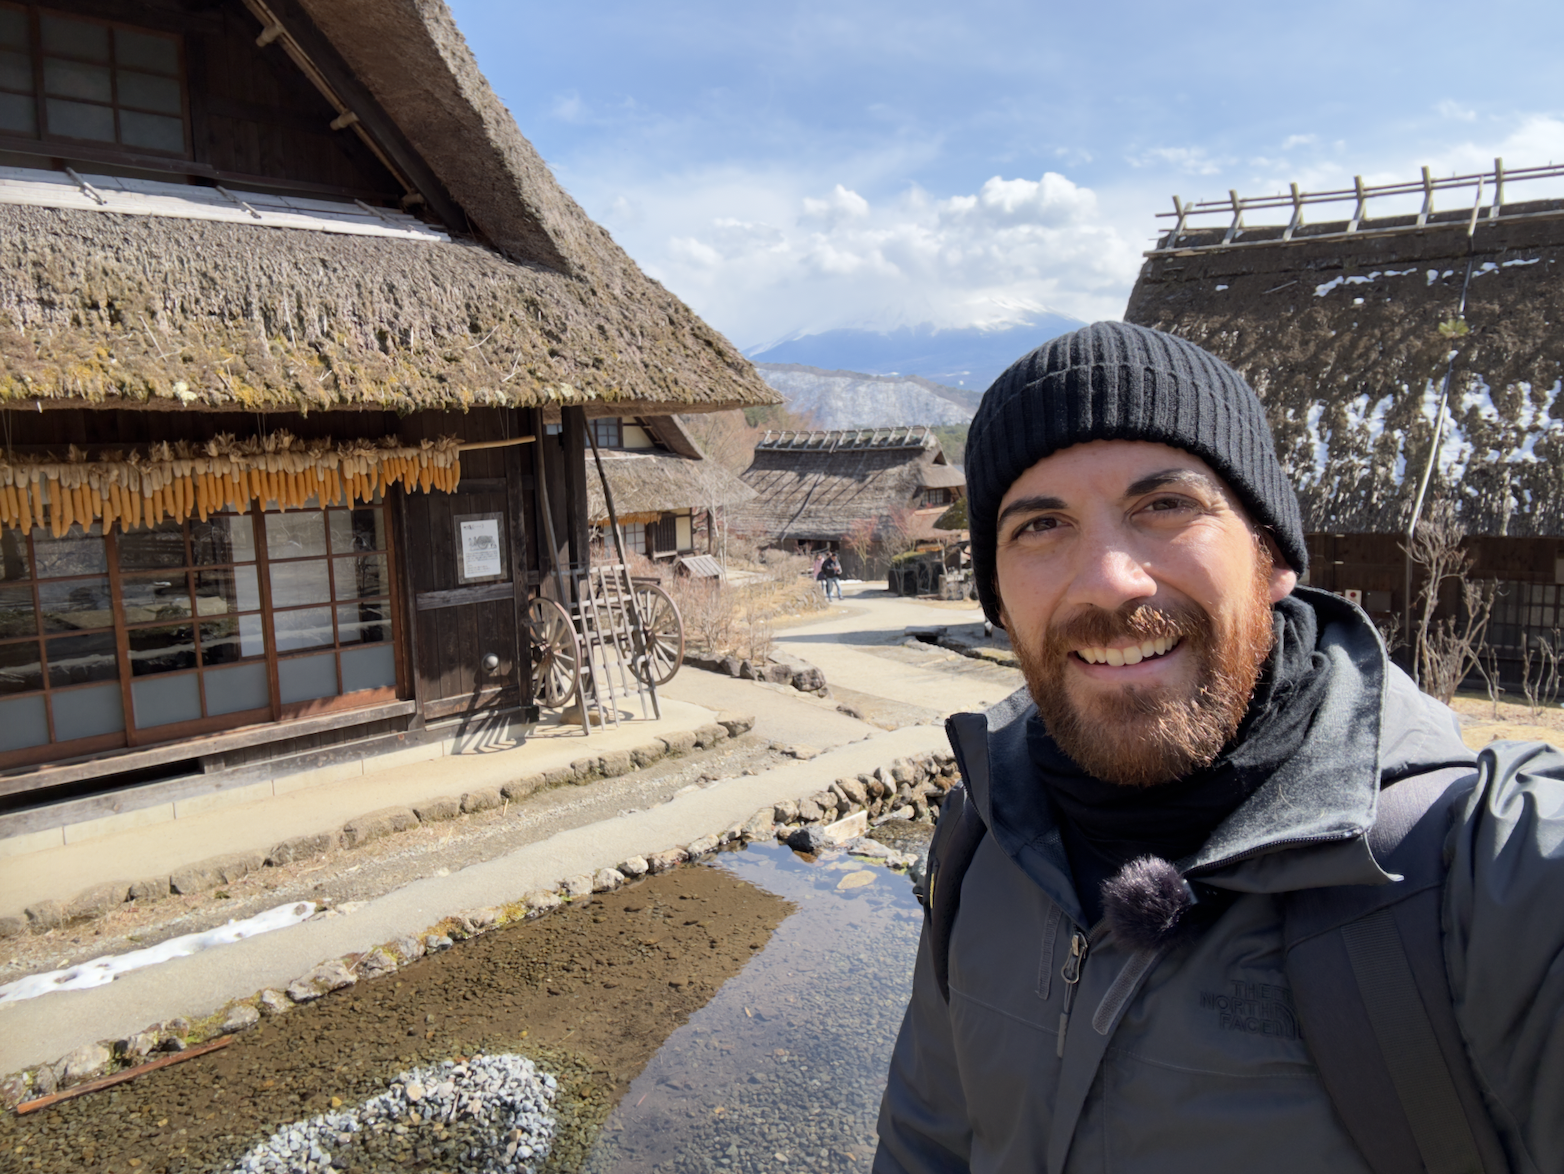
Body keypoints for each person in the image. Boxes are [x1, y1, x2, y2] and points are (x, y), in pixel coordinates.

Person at [874, 321, 1564, 1173]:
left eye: (1164, 505)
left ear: (1272, 557)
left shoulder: (1473, 868)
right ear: (999, 601)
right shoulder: (982, 837)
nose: (1109, 581)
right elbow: (927, 1143)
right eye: (1041, 525)